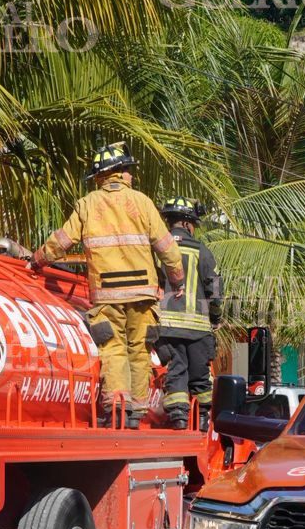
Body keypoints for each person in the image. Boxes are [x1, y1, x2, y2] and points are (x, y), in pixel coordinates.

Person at [31, 142, 185, 427]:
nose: (131, 176)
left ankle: (118, 408)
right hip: (143, 294)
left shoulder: (87, 204)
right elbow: (167, 249)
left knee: (113, 349)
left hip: (107, 295)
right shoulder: (142, 202)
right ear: (119, 172)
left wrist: (36, 261)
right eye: (128, 170)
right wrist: (177, 280)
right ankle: (136, 414)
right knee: (138, 350)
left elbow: (62, 241)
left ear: (100, 176)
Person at [154, 198, 223, 431]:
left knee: (176, 370)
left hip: (167, 326)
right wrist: (215, 316)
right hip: (198, 329)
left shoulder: (157, 249)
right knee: (200, 376)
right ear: (186, 223)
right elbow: (214, 287)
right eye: (193, 223)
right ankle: (202, 419)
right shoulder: (201, 250)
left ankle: (178, 418)